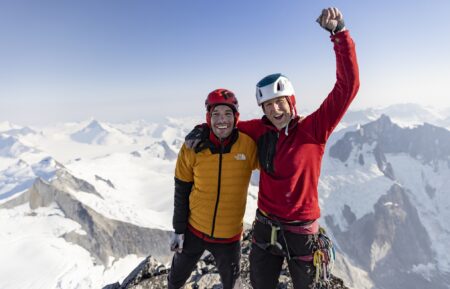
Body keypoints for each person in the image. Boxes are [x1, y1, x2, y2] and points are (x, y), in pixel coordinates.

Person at [184, 7, 359, 289]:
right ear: (263, 109)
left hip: (301, 230)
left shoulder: (314, 129)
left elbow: (347, 87)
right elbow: (227, 125)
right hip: (265, 227)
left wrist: (340, 36)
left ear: (291, 101)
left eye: (280, 102)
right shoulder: (259, 129)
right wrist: (204, 129)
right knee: (259, 284)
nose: (275, 109)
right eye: (268, 105)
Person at [168, 88, 258, 289]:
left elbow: (273, 169)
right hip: (194, 230)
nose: (221, 120)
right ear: (208, 118)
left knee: (232, 285)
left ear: (236, 117)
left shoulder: (248, 146)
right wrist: (178, 230)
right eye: (215, 114)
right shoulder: (193, 147)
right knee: (175, 280)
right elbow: (181, 189)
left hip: (229, 237)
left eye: (227, 114)